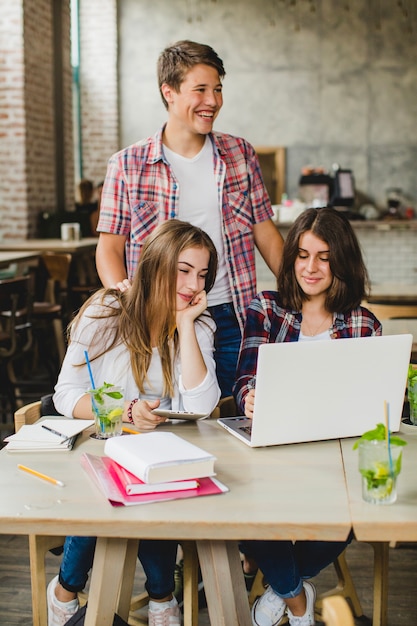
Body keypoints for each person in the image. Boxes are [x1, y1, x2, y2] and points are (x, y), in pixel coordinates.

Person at [47, 219, 220, 626]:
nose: (195, 283)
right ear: (157, 264)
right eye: (184, 270)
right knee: (104, 495)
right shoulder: (106, 311)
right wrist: (123, 411)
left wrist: (185, 325)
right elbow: (65, 394)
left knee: (150, 491)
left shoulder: (198, 326)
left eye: (202, 274)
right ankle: (70, 590)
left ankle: (160, 598)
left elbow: (201, 404)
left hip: (164, 457)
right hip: (102, 447)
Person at [95, 39, 284, 398]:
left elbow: (267, 235)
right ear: (169, 91)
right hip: (158, 317)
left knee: (231, 411)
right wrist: (126, 295)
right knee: (168, 414)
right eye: (200, 90)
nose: (212, 101)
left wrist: (300, 291)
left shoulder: (239, 154)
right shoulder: (127, 165)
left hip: (231, 314)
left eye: (217, 89)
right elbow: (109, 249)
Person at [233, 207, 382, 626]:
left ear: (342, 261)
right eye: (301, 255)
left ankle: (281, 581)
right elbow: (244, 378)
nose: (310, 268)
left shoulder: (362, 324)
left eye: (324, 256)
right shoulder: (266, 308)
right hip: (268, 456)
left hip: (333, 461)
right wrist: (249, 398)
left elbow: (372, 403)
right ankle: (298, 601)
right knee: (240, 512)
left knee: (350, 519)